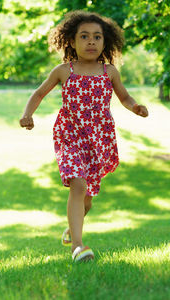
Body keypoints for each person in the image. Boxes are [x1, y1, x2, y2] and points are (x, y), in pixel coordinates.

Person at [19, 10, 148, 262]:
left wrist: (135, 107)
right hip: (70, 136)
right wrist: (27, 114)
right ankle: (77, 246)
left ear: (105, 42)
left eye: (97, 37)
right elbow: (38, 93)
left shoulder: (109, 72)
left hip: (99, 140)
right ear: (71, 41)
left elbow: (124, 96)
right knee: (77, 185)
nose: (91, 42)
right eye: (85, 36)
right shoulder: (63, 71)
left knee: (87, 199)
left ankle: (72, 227)